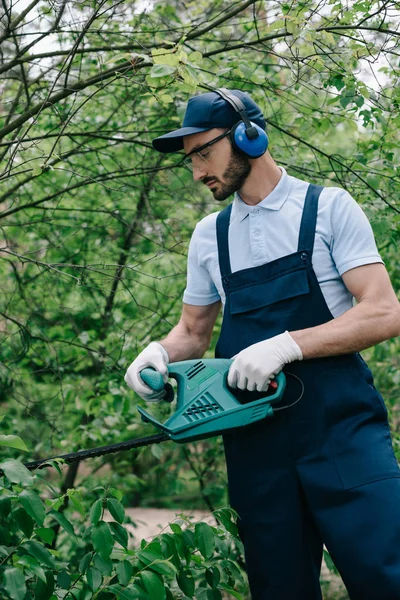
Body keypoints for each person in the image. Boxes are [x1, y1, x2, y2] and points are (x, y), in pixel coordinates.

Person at [125, 88, 400, 600]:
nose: (197, 171)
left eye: (204, 153)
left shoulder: (329, 209)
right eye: (190, 161)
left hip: (342, 436)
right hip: (257, 449)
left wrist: (286, 345)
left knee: (388, 578)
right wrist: (159, 355)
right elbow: (193, 332)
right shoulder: (209, 237)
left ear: (250, 136)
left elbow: (383, 312)